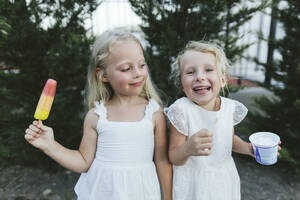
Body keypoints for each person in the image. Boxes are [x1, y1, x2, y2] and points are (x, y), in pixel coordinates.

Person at [24, 29, 172, 200]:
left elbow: (162, 161)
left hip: (141, 192)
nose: (138, 73)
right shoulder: (96, 116)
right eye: (126, 68)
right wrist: (50, 146)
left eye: (142, 64)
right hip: (101, 192)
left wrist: (168, 197)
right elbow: (83, 162)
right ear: (102, 75)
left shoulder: (153, 113)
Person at [165, 41, 280, 200]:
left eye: (209, 70)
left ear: (223, 80)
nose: (200, 76)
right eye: (190, 72)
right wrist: (188, 148)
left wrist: (248, 148)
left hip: (223, 179)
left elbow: (229, 140)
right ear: (181, 85)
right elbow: (174, 156)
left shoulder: (228, 108)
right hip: (193, 183)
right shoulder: (181, 110)